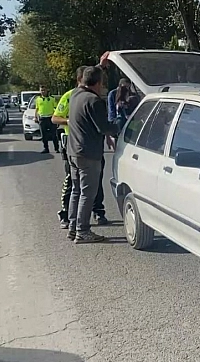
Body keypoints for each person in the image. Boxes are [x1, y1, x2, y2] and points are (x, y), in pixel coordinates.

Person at [66, 66, 119, 243]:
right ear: (98, 83)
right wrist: (119, 125)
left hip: (73, 151)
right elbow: (104, 127)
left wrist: (100, 66)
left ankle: (73, 228)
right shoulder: (94, 101)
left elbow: (88, 76)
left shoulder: (75, 95)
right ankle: (83, 231)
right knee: (88, 194)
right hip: (88, 153)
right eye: (102, 82)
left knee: (76, 191)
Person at [52, 65, 89, 229]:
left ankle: (94, 211)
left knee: (90, 181)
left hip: (86, 143)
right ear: (79, 80)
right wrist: (69, 121)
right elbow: (55, 118)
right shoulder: (69, 96)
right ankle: (65, 213)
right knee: (71, 179)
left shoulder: (89, 96)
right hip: (70, 141)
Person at [34, 85, 59, 154]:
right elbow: (37, 109)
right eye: (41, 90)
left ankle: (56, 148)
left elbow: (55, 108)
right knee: (43, 135)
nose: (43, 92)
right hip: (42, 119)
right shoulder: (38, 99)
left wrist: (56, 117)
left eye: (44, 90)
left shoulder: (52, 99)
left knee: (54, 134)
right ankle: (46, 148)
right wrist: (35, 117)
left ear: (47, 90)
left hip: (50, 118)